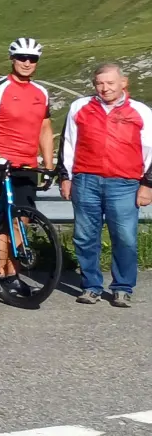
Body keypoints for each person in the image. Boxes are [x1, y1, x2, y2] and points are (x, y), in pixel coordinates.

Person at [60, 63, 152, 307]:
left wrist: (148, 184)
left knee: (125, 237)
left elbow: (151, 149)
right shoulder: (79, 107)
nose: (105, 88)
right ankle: (91, 286)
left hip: (124, 183)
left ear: (124, 83)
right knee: (84, 236)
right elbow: (68, 143)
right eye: (100, 83)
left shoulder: (141, 111)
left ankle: (122, 287)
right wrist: (65, 177)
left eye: (110, 83)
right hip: (85, 180)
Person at [0, 37, 57, 300]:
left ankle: (10, 271)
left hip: (28, 165)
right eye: (22, 57)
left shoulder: (40, 92)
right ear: (12, 59)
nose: (27, 63)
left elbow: (45, 128)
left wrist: (48, 162)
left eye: (32, 59)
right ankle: (4, 275)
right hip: (3, 166)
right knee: (6, 222)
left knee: (22, 221)